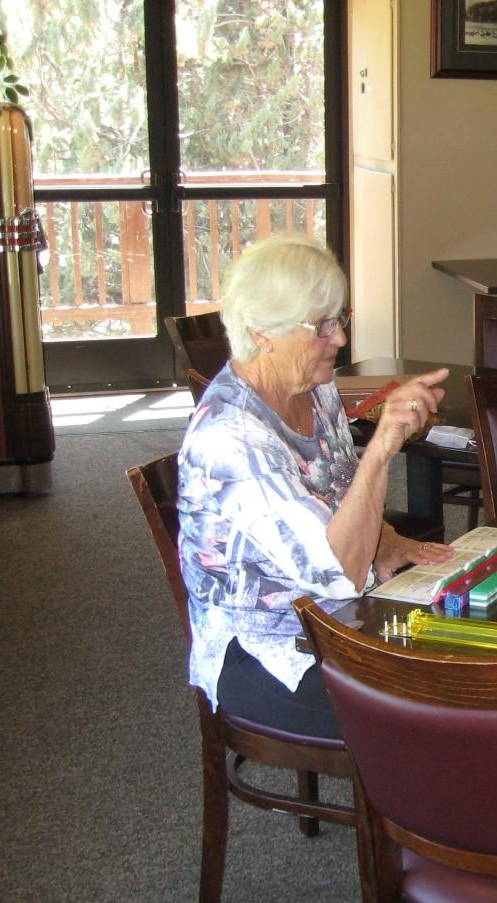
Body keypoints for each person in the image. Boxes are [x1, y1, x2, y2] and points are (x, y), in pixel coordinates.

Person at [177, 234, 453, 738]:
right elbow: (338, 572)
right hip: (267, 653)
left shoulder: (315, 388)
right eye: (321, 325)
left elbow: (340, 500)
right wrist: (381, 449)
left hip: (339, 613)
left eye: (340, 318)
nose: (340, 339)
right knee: (445, 709)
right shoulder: (230, 437)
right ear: (263, 333)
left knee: (468, 659)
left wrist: (387, 542)